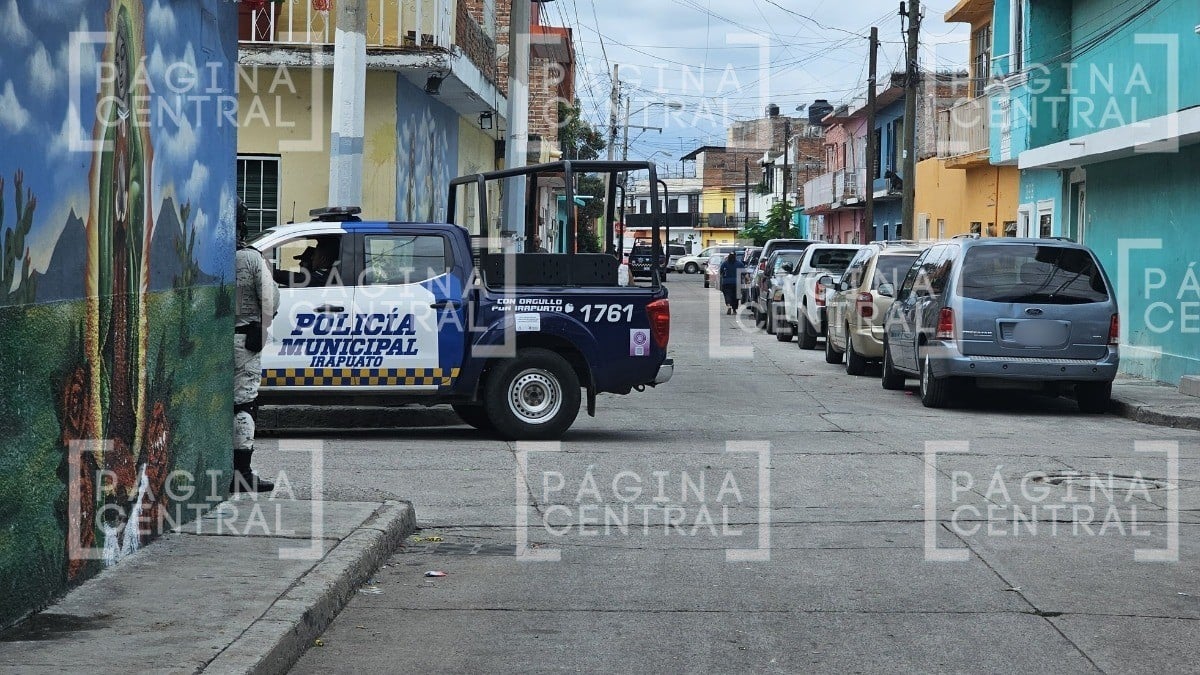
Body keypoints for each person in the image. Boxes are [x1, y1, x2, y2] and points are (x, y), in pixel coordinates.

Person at [233, 199, 279, 493]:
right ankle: (242, 473)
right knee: (244, 402)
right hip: (243, 339)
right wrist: (262, 325)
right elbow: (271, 300)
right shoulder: (250, 259)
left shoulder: (205, 254)